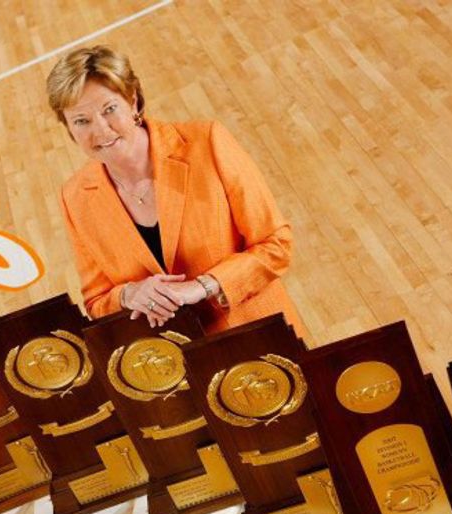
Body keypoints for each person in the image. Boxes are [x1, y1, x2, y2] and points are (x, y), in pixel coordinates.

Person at [47, 45, 305, 335]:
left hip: (261, 334)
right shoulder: (74, 198)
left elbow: (276, 244)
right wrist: (128, 295)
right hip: (173, 357)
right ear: (69, 129)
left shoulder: (208, 142)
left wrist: (203, 286)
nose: (101, 130)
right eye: (81, 121)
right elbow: (97, 301)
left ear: (133, 102)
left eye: (110, 109)